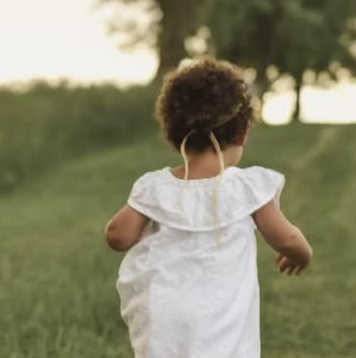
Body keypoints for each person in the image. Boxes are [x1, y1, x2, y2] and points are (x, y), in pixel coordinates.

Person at [104, 59, 314, 357]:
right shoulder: (246, 187)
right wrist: (301, 253)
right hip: (221, 320)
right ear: (242, 134)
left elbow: (118, 236)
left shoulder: (155, 188)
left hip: (166, 316)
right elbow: (286, 239)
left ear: (175, 137)